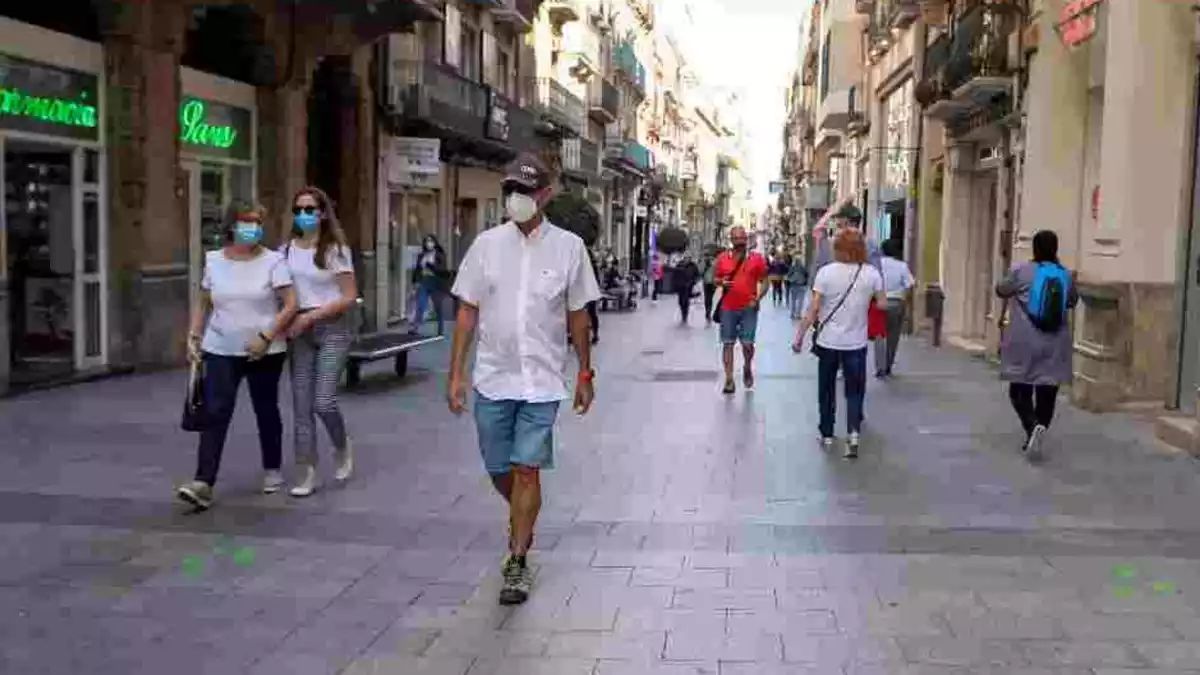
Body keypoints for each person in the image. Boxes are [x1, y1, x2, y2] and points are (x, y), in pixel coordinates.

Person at [447, 153, 601, 606]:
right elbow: (467, 310)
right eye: (511, 190)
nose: (516, 199)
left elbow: (578, 317)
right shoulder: (486, 246)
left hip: (543, 381)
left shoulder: (570, 247)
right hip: (493, 378)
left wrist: (585, 372)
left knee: (527, 467)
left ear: (545, 195)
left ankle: (517, 558)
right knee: (500, 469)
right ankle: (521, 515)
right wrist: (456, 372)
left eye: (526, 191)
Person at [178, 202, 297, 509]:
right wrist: (194, 335)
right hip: (219, 347)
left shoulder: (274, 261)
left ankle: (272, 468)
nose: (252, 227)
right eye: (246, 221)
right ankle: (203, 481)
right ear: (231, 225)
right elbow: (204, 302)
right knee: (215, 412)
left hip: (265, 349)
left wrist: (267, 337)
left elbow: (290, 304)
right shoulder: (214, 260)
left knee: (265, 409)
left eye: (257, 222)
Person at [283, 187, 358, 498]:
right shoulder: (285, 250)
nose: (304, 214)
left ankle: (342, 445)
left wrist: (311, 317)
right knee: (301, 407)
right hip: (298, 331)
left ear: (323, 213)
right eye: (298, 209)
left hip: (332, 328)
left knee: (323, 401)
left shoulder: (334, 250)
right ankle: (307, 472)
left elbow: (349, 296)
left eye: (310, 209)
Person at [793, 228, 885, 459]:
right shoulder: (871, 273)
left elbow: (814, 309)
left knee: (826, 390)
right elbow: (882, 304)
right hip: (856, 343)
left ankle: (827, 433)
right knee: (854, 391)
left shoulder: (825, 273)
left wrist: (799, 337)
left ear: (837, 248)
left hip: (828, 343)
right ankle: (853, 434)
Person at [996, 229, 1077, 460]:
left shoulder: (1021, 271)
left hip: (1024, 340)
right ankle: (1040, 426)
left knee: (1019, 390)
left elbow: (1001, 290)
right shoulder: (1065, 274)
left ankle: (1032, 428)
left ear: (1034, 248)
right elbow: (1072, 300)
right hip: (1055, 342)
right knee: (1047, 390)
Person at [714, 226, 769, 394]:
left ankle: (747, 366)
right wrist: (721, 283)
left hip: (748, 308)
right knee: (728, 343)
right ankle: (729, 379)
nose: (739, 242)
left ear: (747, 240)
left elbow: (765, 282)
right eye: (736, 238)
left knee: (747, 344)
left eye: (742, 238)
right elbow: (715, 279)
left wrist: (757, 298)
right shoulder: (722, 258)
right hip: (728, 308)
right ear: (731, 240)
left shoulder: (756, 259)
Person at [874, 238, 915, 377]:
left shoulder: (876, 265)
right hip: (897, 303)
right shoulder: (902, 266)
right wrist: (905, 301)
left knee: (879, 335)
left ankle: (879, 366)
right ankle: (888, 365)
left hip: (880, 302)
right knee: (893, 336)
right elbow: (909, 285)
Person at [411, 234, 449, 336]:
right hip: (424, 282)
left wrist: (429, 265)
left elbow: (441, 270)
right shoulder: (421, 255)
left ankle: (440, 330)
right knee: (420, 304)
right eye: (427, 241)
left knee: (438, 307)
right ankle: (415, 328)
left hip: (436, 283)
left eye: (431, 241)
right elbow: (417, 270)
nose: (429, 243)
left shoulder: (440, 255)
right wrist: (414, 282)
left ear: (435, 242)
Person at [672, 253, 700, 324]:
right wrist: (675, 284)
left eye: (688, 258)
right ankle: (683, 312)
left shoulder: (693, 265)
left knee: (686, 301)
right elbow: (674, 275)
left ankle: (685, 316)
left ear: (690, 259)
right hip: (680, 286)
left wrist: (694, 281)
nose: (687, 259)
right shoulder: (679, 264)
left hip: (688, 286)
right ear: (684, 258)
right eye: (686, 258)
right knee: (681, 302)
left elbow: (697, 275)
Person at [786, 254, 809, 319]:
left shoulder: (792, 267)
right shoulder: (803, 268)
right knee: (800, 301)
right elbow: (807, 275)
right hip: (801, 285)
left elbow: (788, 275)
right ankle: (798, 314)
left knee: (793, 300)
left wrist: (790, 280)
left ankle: (792, 314)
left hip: (793, 285)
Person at [700, 250, 718, 326]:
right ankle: (708, 313)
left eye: (708, 255)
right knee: (707, 299)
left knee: (709, 298)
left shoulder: (715, 262)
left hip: (713, 283)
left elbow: (718, 271)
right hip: (706, 283)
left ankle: (708, 313)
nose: (707, 257)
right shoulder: (703, 262)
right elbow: (700, 271)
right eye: (706, 255)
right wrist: (704, 265)